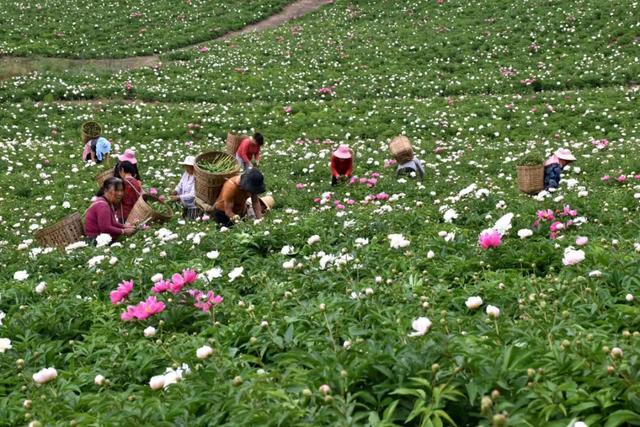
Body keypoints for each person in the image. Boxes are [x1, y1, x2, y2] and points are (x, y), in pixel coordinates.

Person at [85, 177, 135, 242]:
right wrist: (124, 231)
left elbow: (113, 223)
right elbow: (105, 228)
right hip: (96, 241)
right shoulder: (103, 205)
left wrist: (124, 226)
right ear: (105, 190)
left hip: (101, 238)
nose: (120, 193)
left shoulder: (107, 202)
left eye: (121, 190)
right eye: (116, 190)